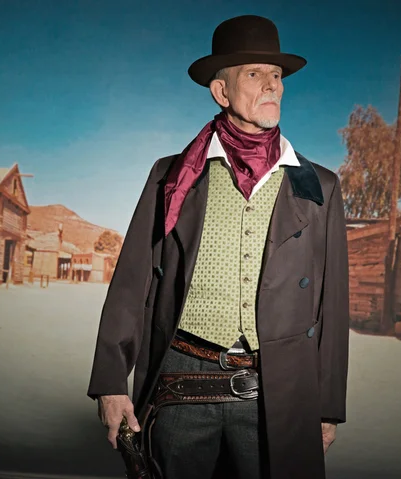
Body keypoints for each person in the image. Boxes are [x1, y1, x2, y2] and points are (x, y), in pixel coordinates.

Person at [87, 14, 350, 479]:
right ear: (221, 92)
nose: (271, 84)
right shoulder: (173, 177)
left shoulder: (320, 188)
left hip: (279, 392)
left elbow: (331, 307)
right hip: (180, 386)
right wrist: (110, 383)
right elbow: (132, 284)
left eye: (276, 75)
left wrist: (327, 407)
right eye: (254, 73)